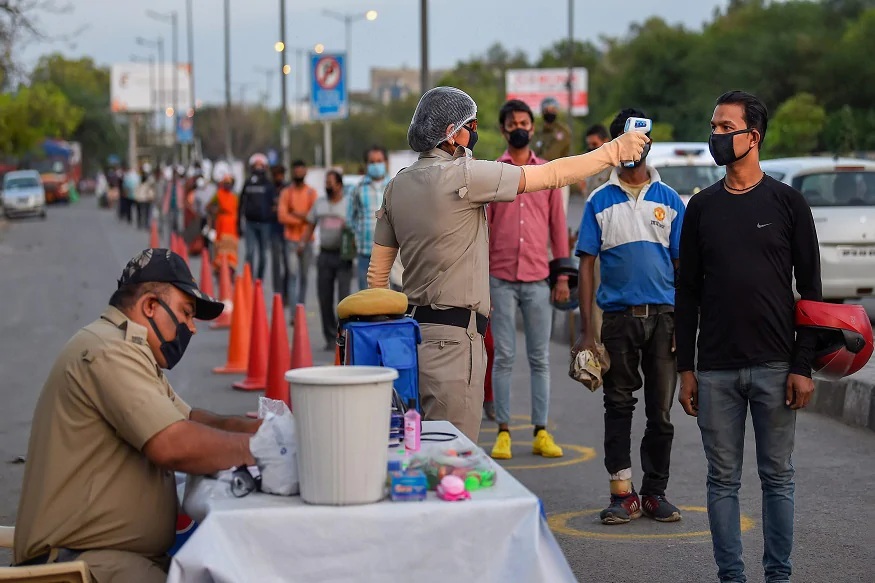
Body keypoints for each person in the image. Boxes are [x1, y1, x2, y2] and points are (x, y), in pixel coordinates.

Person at [366, 86, 648, 441]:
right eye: (471, 126)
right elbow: (552, 175)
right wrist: (614, 151)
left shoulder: (396, 186)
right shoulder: (466, 175)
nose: (474, 133)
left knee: (416, 445)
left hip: (412, 335)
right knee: (452, 453)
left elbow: (377, 276)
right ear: (451, 132)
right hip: (455, 341)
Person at [13, 248, 293, 582]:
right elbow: (172, 444)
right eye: (186, 313)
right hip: (85, 565)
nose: (192, 328)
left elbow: (192, 420)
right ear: (150, 306)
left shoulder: (127, 348)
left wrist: (268, 429)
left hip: (107, 558)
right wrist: (264, 449)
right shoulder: (109, 351)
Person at [675, 90, 822, 583]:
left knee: (777, 477)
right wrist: (686, 368)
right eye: (713, 127)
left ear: (752, 136)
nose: (715, 136)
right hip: (715, 370)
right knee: (722, 480)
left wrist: (802, 365)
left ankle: (778, 576)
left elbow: (812, 293)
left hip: (777, 366)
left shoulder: (788, 203)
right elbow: (687, 292)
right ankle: (731, 577)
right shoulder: (701, 207)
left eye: (725, 127)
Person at [573, 108, 686, 525]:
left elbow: (682, 268)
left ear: (649, 142)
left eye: (641, 137)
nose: (634, 146)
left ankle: (655, 493)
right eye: (625, 137)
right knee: (618, 405)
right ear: (614, 145)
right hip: (618, 320)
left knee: (661, 412)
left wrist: (684, 325)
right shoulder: (598, 201)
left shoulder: (670, 200)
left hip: (665, 320)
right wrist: (588, 331)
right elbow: (587, 265)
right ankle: (622, 494)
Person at [487, 99, 570, 460]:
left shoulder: (547, 173)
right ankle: (503, 432)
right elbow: (484, 228)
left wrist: (562, 276)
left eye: (524, 122)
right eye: (512, 123)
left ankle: (541, 431)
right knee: (503, 356)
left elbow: (558, 227)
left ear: (532, 128)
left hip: (538, 278)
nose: (519, 128)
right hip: (500, 277)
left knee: (540, 358)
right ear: (503, 129)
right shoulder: (493, 173)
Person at [300, 169, 352, 350]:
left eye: (330, 182)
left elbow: (356, 225)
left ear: (339, 184)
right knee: (324, 297)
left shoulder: (349, 203)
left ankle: (344, 334)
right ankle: (330, 337)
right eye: (326, 183)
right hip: (324, 255)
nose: (327, 186)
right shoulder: (319, 203)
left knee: (344, 298)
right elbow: (310, 224)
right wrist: (302, 243)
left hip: (343, 255)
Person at [348, 146, 389, 292]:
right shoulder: (358, 189)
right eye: (372, 162)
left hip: (390, 253)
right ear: (366, 164)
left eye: (379, 161)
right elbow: (350, 218)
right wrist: (356, 237)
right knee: (366, 296)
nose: (376, 165)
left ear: (386, 162)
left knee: (389, 296)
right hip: (365, 252)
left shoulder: (394, 185)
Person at [278, 160, 318, 308]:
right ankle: (294, 313)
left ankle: (301, 307)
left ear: (305, 172)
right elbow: (282, 216)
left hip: (307, 240)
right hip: (291, 240)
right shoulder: (286, 193)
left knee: (305, 276)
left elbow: (314, 216)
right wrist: (303, 218)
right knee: (292, 275)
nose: (298, 174)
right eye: (296, 171)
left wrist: (295, 213)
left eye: (301, 171)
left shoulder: (311, 192)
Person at [237, 153, 277, 282]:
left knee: (263, 255)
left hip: (265, 224)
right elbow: (241, 203)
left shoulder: (269, 185)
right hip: (250, 223)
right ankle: (248, 279)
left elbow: (274, 205)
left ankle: (259, 280)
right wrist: (238, 223)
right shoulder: (248, 183)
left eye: (261, 165)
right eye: (256, 165)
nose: (258, 168)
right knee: (249, 253)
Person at [207, 162, 240, 272]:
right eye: (226, 183)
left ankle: (231, 265)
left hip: (232, 225)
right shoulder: (218, 194)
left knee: (231, 247)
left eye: (229, 183)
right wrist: (217, 211)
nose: (228, 185)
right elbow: (209, 207)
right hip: (221, 224)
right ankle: (219, 265)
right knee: (221, 247)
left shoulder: (234, 196)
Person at [268, 164, 291, 304]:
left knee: (288, 264)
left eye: (280, 175)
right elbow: (265, 208)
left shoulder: (288, 189)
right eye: (276, 175)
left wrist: (279, 208)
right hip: (274, 230)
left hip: (287, 230)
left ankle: (286, 292)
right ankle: (278, 293)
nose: (278, 177)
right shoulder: (269, 189)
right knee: (276, 263)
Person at [532, 96, 571, 162]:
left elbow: (553, 154)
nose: (549, 112)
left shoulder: (562, 131)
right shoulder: (538, 132)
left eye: (552, 109)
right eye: (546, 110)